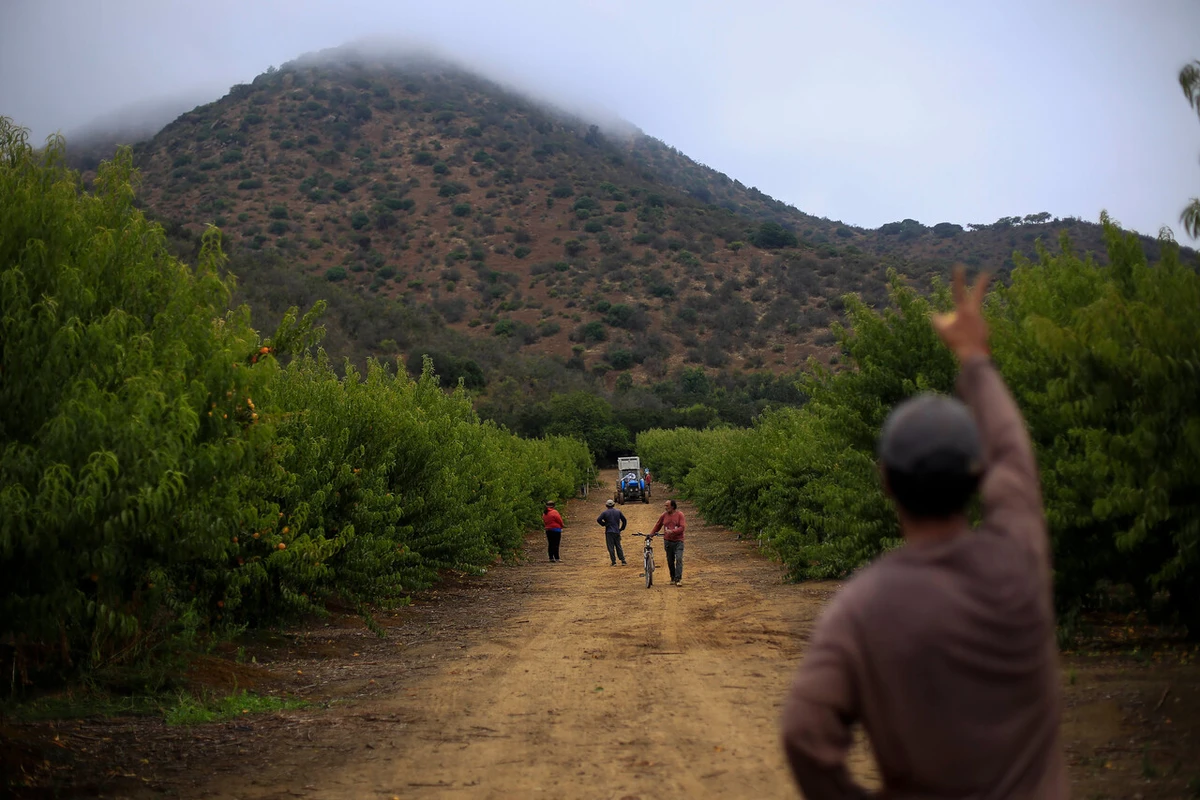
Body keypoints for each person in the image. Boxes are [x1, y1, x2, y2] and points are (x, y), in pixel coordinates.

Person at [780, 267, 1067, 799]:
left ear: (885, 481)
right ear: (977, 476)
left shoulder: (861, 606)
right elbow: (1014, 460)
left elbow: (803, 733)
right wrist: (974, 358)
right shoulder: (1017, 563)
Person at [650, 499, 686, 586]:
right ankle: (672, 577)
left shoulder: (680, 515)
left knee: (679, 559)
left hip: (678, 541)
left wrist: (673, 531)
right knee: (670, 560)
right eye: (665, 506)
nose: (665, 508)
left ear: (672, 506)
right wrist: (651, 535)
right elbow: (658, 526)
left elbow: (682, 527)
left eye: (667, 506)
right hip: (668, 541)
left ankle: (678, 579)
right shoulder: (664, 515)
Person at [596, 498, 628, 566]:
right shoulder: (618, 512)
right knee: (618, 546)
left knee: (611, 547)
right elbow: (624, 520)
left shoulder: (605, 513)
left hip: (609, 532)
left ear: (606, 505)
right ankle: (623, 560)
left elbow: (598, 519)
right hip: (616, 531)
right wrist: (622, 528)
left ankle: (613, 562)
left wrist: (604, 524)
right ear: (613, 505)